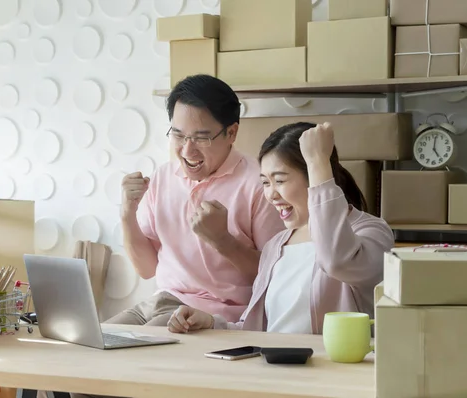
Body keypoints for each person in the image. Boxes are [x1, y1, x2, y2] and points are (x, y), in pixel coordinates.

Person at [167, 122, 395, 334]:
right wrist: (210, 322)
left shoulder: (371, 233)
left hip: (332, 372)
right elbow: (257, 330)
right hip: (276, 369)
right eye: (266, 182)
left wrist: (319, 162)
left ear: (316, 178)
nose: (271, 195)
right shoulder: (276, 246)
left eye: (280, 180)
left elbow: (336, 261)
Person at [106, 74, 285, 327]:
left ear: (231, 133)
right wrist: (127, 214)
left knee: (135, 350)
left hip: (213, 314)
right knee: (96, 341)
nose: (188, 151)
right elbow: (146, 269)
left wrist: (222, 240)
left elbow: (276, 275)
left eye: (201, 138)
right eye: (179, 135)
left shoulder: (259, 184)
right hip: (160, 301)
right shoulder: (163, 177)